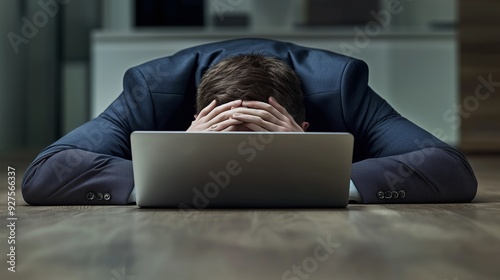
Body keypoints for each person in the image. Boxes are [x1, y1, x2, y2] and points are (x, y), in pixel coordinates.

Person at [21, 38, 477, 205]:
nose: (241, 178)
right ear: (198, 119)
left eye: (265, 150)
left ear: (303, 128)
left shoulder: (342, 88)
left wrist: (330, 180)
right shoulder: (151, 90)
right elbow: (43, 175)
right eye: (221, 144)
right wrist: (174, 162)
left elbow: (451, 169)